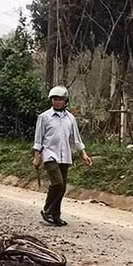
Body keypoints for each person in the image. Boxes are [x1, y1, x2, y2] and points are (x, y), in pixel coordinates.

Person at [33, 85, 93, 227]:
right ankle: (47, 210)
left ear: (66, 101)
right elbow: (38, 139)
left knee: (62, 187)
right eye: (54, 99)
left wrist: (83, 154)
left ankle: (56, 215)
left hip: (65, 156)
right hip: (49, 155)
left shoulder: (70, 119)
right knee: (58, 183)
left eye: (60, 99)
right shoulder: (44, 117)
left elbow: (75, 139)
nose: (57, 102)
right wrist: (37, 157)